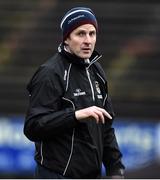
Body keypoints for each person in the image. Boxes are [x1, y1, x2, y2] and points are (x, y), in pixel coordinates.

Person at [24, 7, 125, 179]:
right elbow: (33, 127)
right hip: (56, 175)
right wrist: (75, 116)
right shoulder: (49, 73)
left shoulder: (96, 70)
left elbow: (106, 126)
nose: (88, 40)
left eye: (92, 34)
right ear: (66, 38)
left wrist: (115, 169)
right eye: (80, 34)